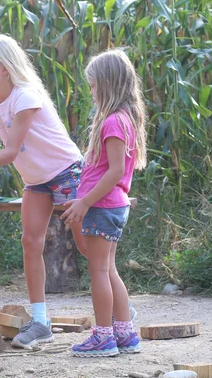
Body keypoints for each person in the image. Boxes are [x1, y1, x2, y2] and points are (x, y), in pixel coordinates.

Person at [0, 33, 88, 348]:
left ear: (5, 69)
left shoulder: (26, 95)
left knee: (87, 244)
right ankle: (40, 322)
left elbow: (9, 152)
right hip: (36, 180)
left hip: (66, 171)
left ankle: (119, 309)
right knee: (30, 241)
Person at [60, 49, 147, 357]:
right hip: (113, 205)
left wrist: (83, 202)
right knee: (109, 269)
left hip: (102, 206)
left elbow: (115, 171)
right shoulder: (126, 120)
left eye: (94, 86)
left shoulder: (112, 122)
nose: (92, 93)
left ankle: (102, 337)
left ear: (107, 85)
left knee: (98, 270)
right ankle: (125, 334)